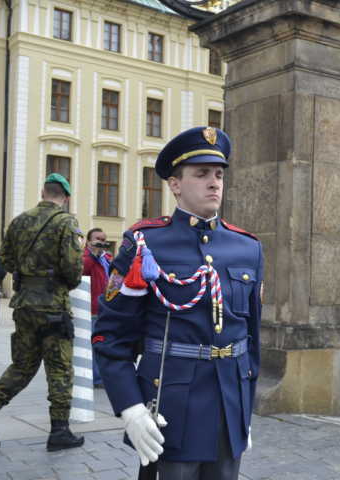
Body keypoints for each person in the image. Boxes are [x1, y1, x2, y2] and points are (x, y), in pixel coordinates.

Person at [93, 126, 263, 480]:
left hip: (229, 407)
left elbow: (250, 338)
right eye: (201, 174)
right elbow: (110, 337)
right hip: (170, 407)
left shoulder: (247, 247)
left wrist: (245, 409)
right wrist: (131, 408)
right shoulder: (144, 244)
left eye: (218, 174)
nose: (214, 183)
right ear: (175, 185)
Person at [0, 173, 85, 452]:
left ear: (43, 192)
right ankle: (60, 430)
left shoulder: (19, 221)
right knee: (60, 368)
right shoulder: (66, 222)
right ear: (65, 197)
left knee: (22, 365)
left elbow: (5, 259)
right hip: (53, 306)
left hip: (24, 304)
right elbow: (73, 269)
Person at [82, 227, 113, 388]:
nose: (101, 242)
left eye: (103, 239)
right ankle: (96, 378)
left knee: (104, 344)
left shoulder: (106, 257)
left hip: (106, 308)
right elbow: (82, 270)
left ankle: (103, 375)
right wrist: (93, 253)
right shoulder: (85, 256)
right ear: (88, 241)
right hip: (92, 308)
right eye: (97, 239)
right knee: (94, 345)